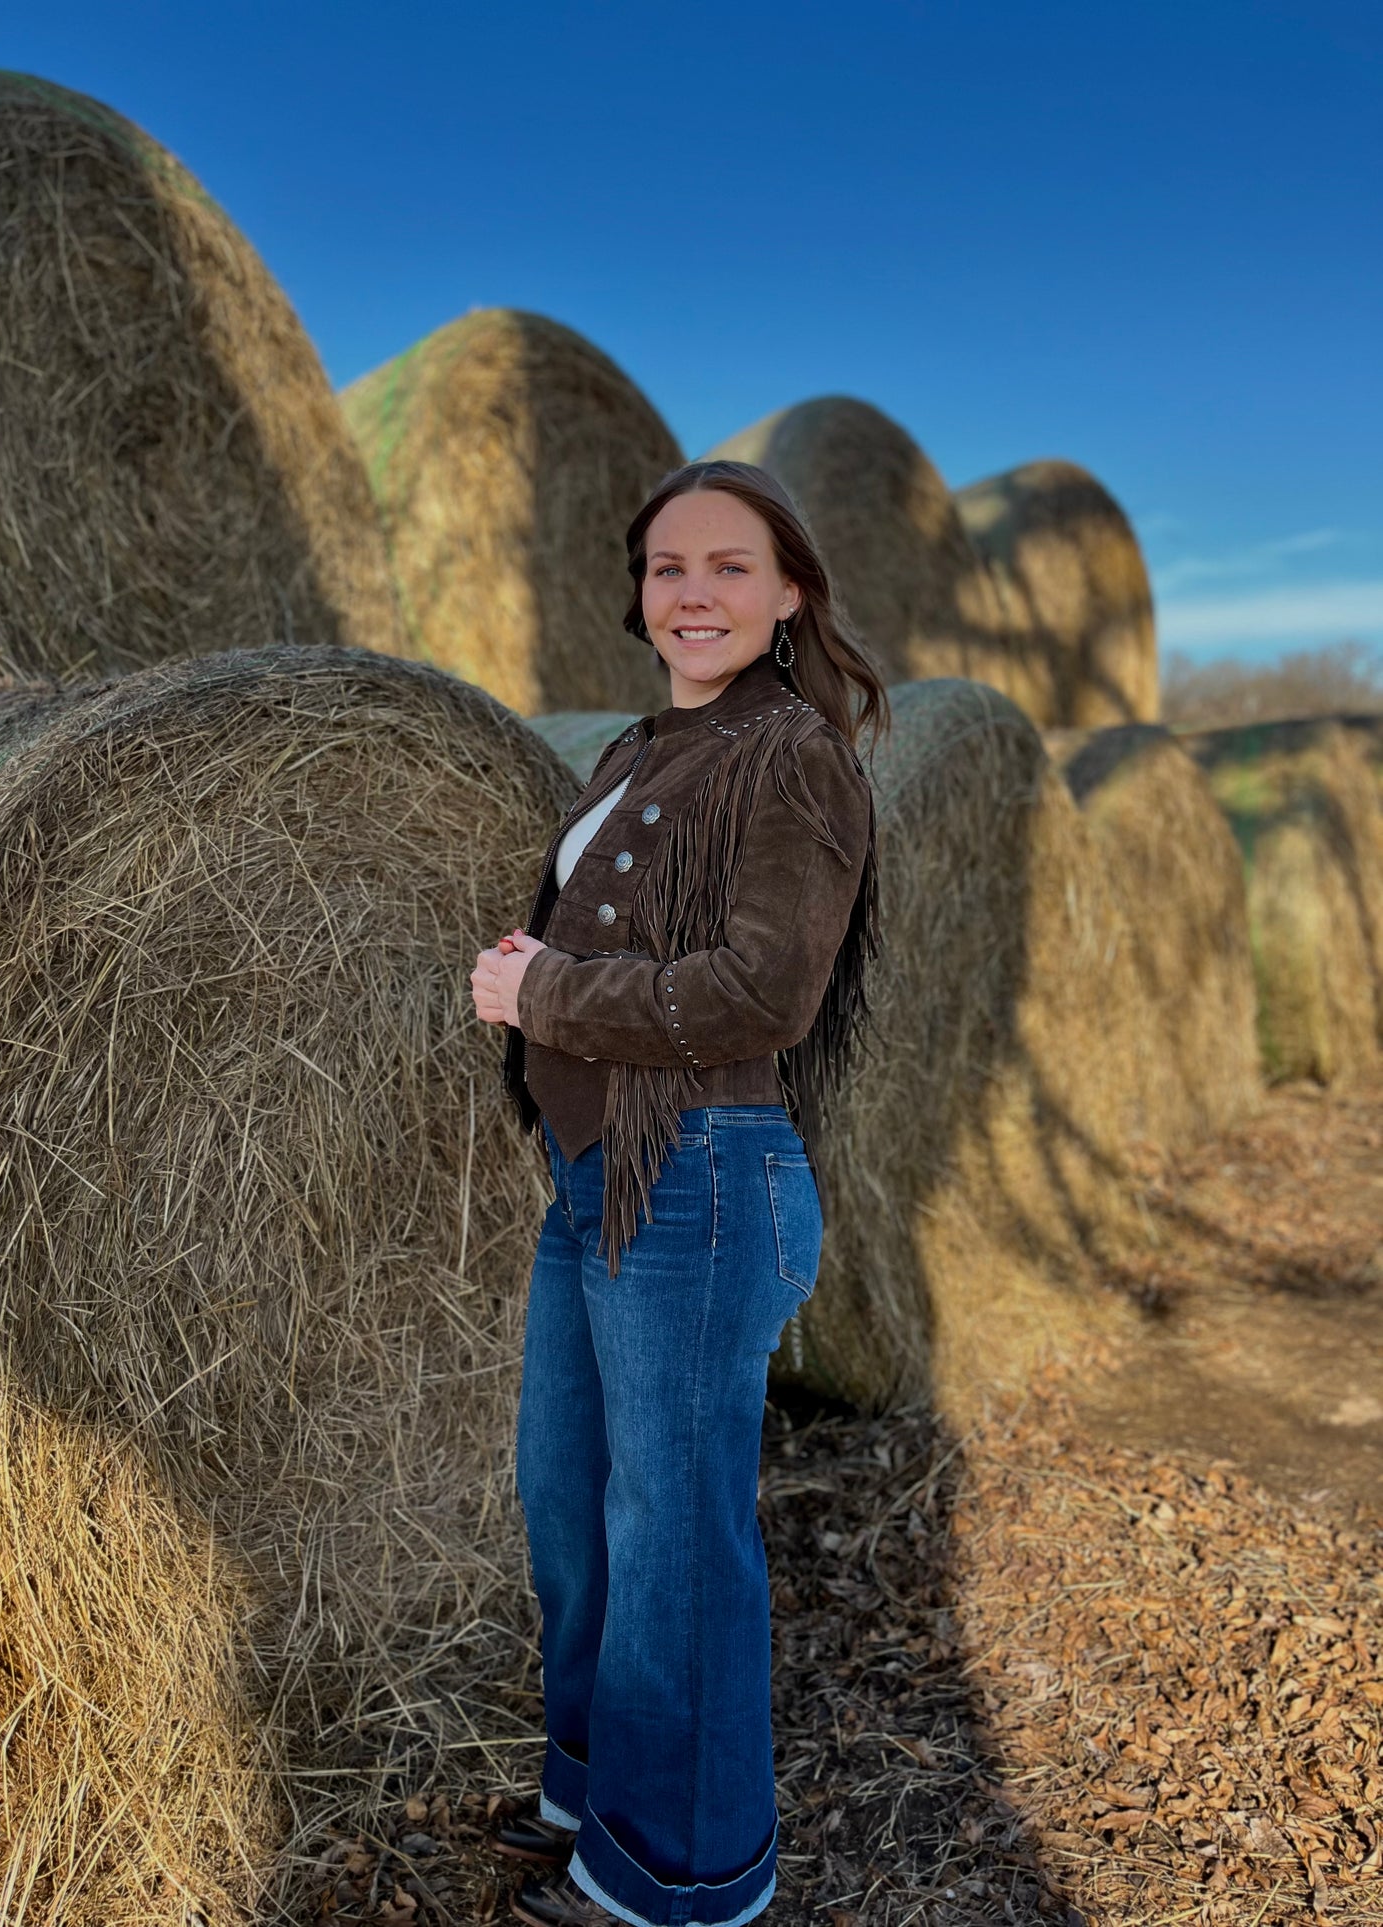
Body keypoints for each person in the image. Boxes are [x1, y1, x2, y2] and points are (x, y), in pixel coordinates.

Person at [469, 459, 888, 1927]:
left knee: (675, 1537)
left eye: (726, 566)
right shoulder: (640, 753)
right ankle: (595, 1800)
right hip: (601, 1183)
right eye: (666, 568)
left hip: (699, 1180)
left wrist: (545, 994)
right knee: (570, 1506)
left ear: (788, 595)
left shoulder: (792, 757)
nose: (691, 593)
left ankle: (680, 1877)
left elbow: (762, 990)